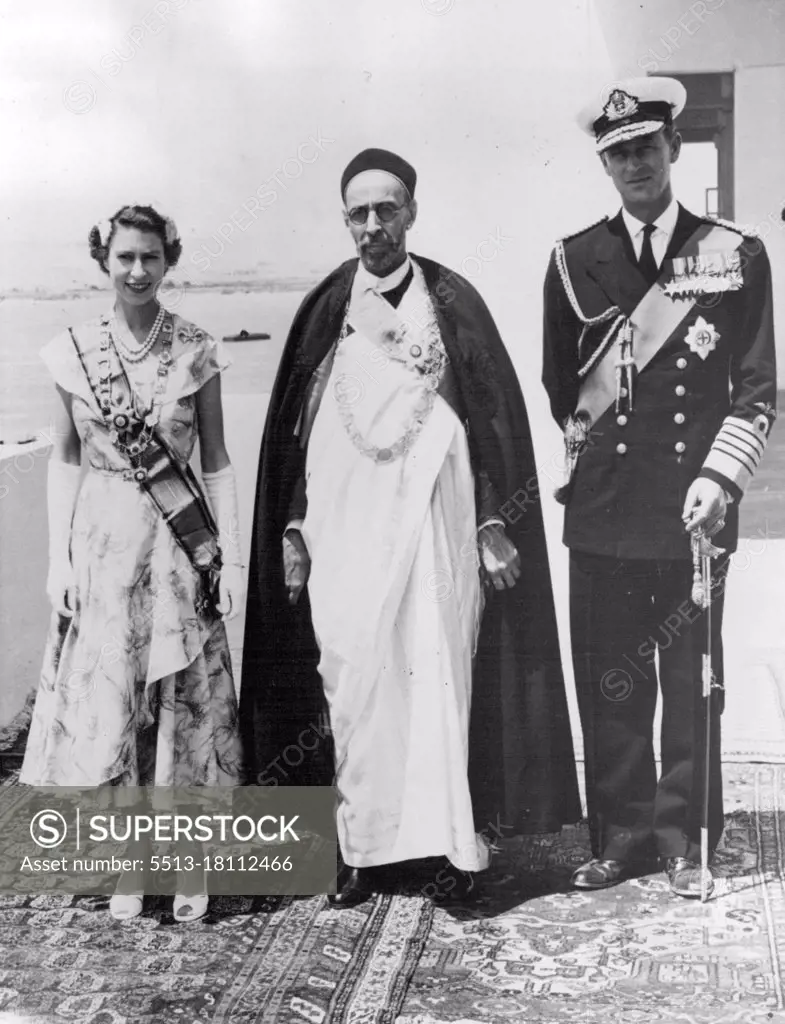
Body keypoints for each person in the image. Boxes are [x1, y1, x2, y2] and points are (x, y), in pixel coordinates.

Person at [240, 147, 581, 908]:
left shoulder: (451, 299)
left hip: (437, 523)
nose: (373, 225)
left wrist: (497, 519)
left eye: (386, 208)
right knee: (357, 679)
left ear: (411, 212)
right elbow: (293, 435)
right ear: (344, 220)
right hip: (345, 529)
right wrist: (293, 525)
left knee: (436, 673)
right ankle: (360, 849)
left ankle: (451, 848)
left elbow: (493, 419)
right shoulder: (326, 309)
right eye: (358, 212)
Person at [542, 78, 776, 897]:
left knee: (687, 682)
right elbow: (558, 388)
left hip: (693, 513)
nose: (634, 163)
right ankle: (619, 836)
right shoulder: (574, 261)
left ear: (672, 148)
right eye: (617, 153)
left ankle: (682, 837)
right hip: (603, 517)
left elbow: (756, 390)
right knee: (610, 682)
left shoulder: (733, 254)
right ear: (603, 165)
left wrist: (719, 478)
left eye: (645, 146)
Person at [20, 204, 245, 922]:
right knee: (115, 706)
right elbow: (63, 461)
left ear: (169, 260)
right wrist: (58, 561)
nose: (138, 271)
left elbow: (215, 462)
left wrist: (227, 560)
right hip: (104, 549)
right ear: (104, 262)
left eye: (151, 256)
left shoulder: (197, 349)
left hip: (178, 554)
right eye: (124, 258)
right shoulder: (74, 351)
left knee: (182, 708)